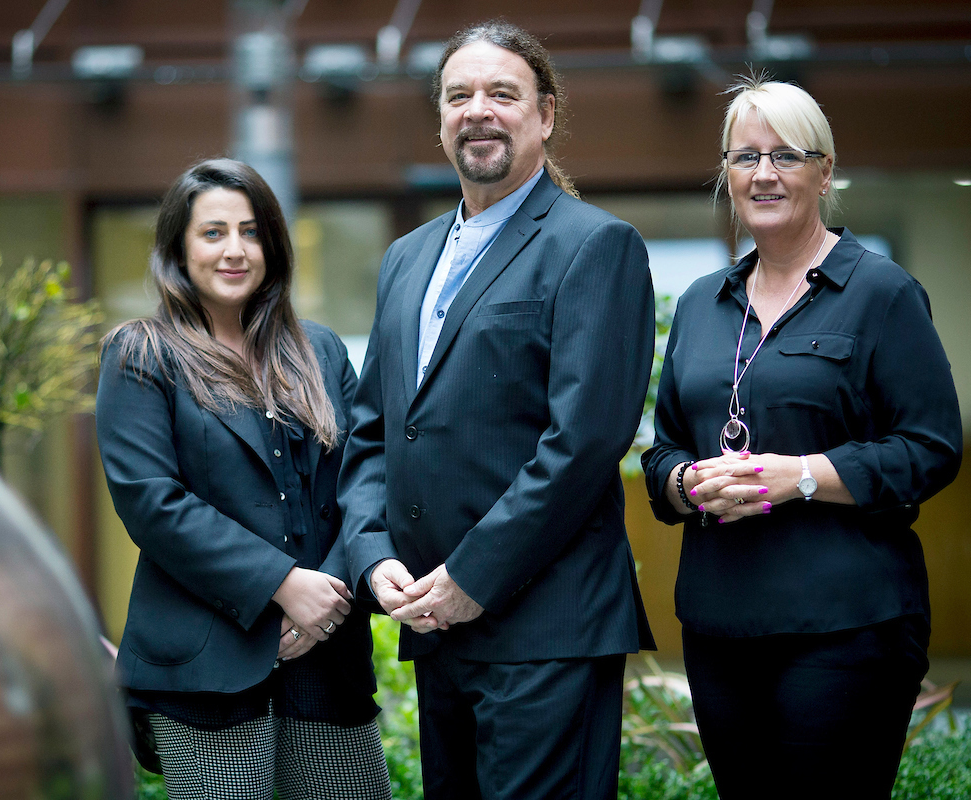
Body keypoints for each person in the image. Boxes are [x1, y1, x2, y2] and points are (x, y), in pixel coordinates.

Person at [338, 20, 655, 800]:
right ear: (440, 118)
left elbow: (583, 441)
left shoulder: (595, 245)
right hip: (436, 624)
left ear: (545, 114)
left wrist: (470, 577)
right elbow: (373, 432)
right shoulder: (406, 258)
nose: (478, 110)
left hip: (548, 627)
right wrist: (375, 557)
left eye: (502, 93)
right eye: (459, 95)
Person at [641, 78, 963, 799]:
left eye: (786, 155)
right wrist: (686, 484)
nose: (764, 174)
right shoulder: (702, 302)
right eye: (744, 157)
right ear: (725, 174)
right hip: (720, 629)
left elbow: (932, 447)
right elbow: (662, 449)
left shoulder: (881, 293)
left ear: (825, 170)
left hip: (849, 629)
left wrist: (806, 475)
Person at [95, 158, 391, 800]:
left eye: (252, 231)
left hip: (327, 660)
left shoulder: (321, 351)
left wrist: (327, 602)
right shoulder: (143, 354)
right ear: (179, 247)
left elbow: (364, 479)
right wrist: (283, 585)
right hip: (207, 668)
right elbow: (153, 503)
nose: (235, 250)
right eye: (213, 232)